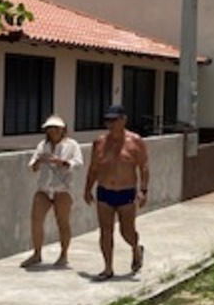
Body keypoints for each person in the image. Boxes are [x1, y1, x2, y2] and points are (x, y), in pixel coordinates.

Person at [84, 105, 149, 281]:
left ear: (123, 120)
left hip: (126, 192)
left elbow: (143, 167)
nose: (110, 124)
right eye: (108, 120)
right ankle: (108, 268)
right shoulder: (100, 142)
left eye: (114, 120)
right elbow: (93, 168)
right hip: (104, 191)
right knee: (105, 231)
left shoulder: (135, 141)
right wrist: (87, 189)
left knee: (127, 231)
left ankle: (136, 248)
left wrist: (143, 190)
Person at [22, 115, 82, 268]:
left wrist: (63, 162)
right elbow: (33, 166)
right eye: (49, 129)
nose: (52, 131)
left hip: (62, 189)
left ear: (62, 130)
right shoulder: (43, 145)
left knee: (62, 221)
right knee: (36, 220)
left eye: (55, 129)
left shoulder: (72, 145)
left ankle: (64, 254)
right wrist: (39, 161)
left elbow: (78, 162)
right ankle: (37, 253)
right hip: (44, 188)